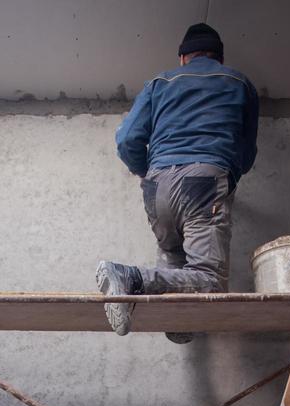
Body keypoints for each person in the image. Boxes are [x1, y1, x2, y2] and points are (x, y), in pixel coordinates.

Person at [96, 22, 258, 342]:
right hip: (204, 182)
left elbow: (127, 139)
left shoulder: (158, 82)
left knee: (174, 262)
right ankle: (127, 278)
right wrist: (226, 174)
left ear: (182, 57)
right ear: (219, 58)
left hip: (157, 187)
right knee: (209, 280)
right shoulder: (239, 84)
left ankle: (179, 323)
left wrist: (148, 172)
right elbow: (247, 153)